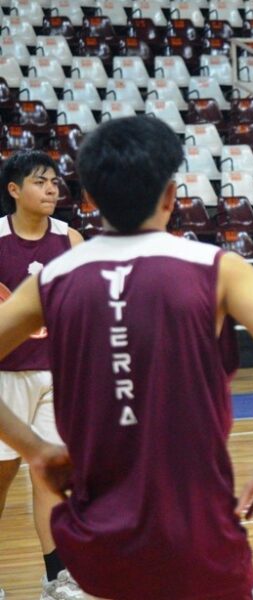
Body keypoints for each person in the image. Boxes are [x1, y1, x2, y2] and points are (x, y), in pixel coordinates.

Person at [0, 116, 253, 600]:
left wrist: (35, 450)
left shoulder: (53, 279)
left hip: (99, 552)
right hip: (201, 538)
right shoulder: (219, 269)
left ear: (89, 200)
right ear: (171, 195)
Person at [0, 150, 84, 599]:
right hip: (4, 377)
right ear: (14, 190)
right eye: (40, 181)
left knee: (50, 475)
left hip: (57, 376)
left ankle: (58, 575)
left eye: (54, 181)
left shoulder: (70, 239)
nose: (51, 188)